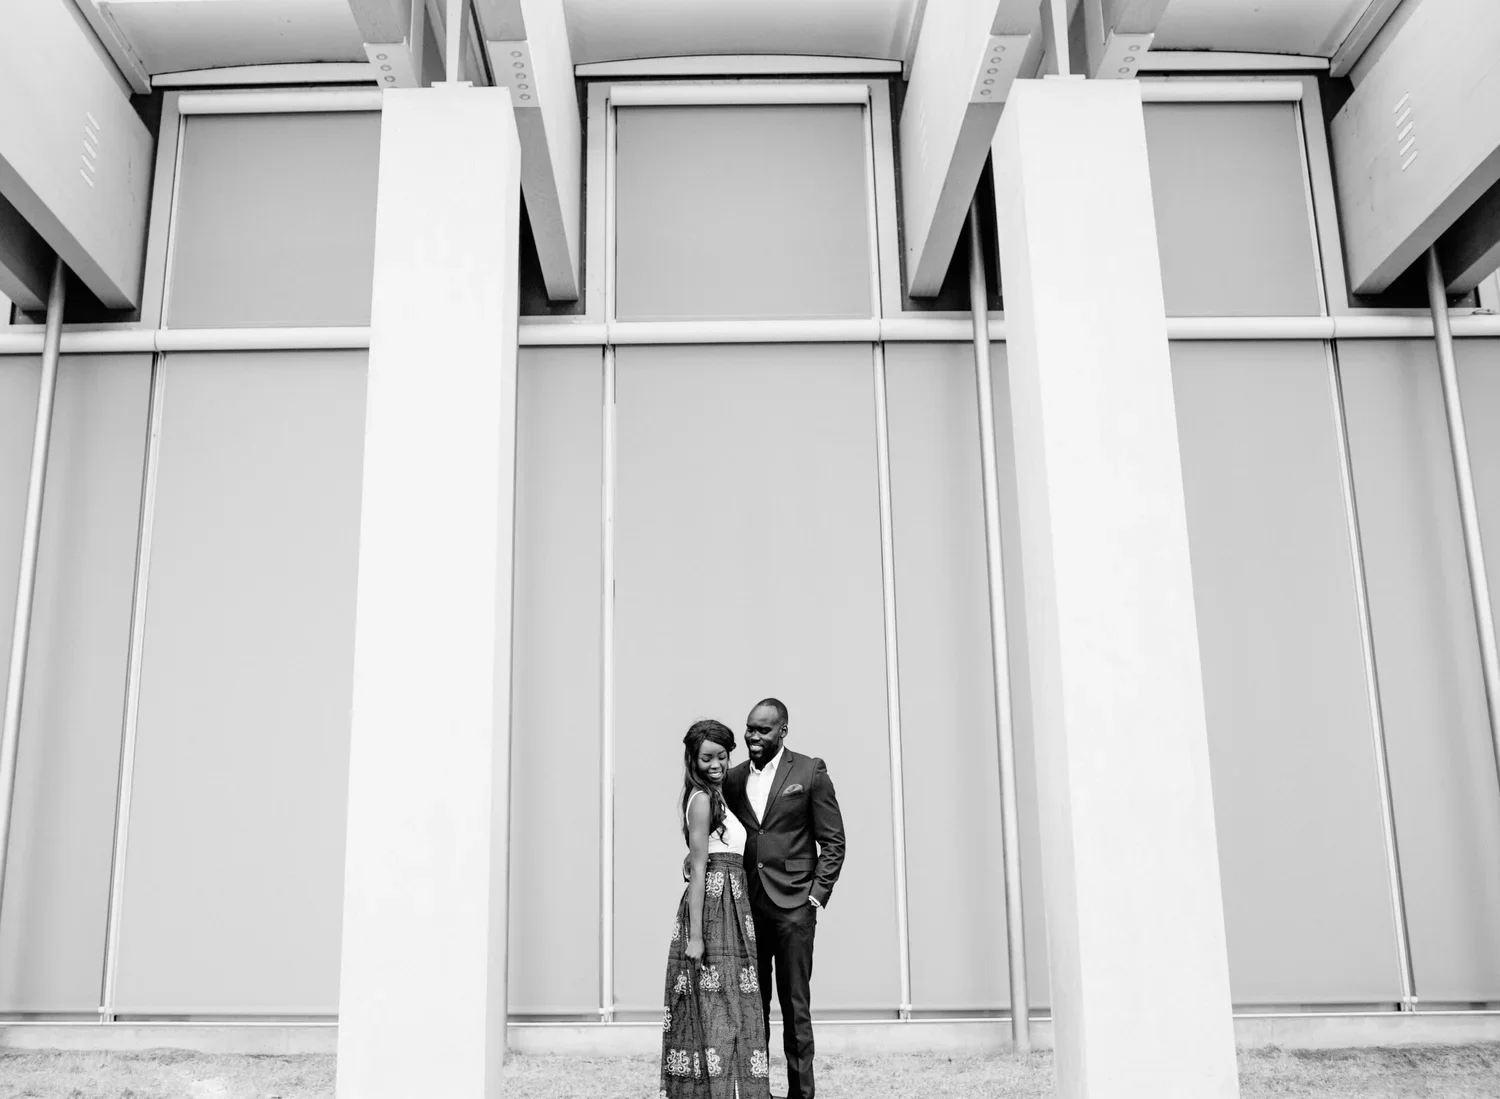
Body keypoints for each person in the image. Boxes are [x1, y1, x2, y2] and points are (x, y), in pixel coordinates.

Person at [723, 698, 845, 1099]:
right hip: (747, 908)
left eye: (763, 730)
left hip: (795, 907)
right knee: (751, 1008)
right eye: (750, 728)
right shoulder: (733, 778)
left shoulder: (810, 771)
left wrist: (816, 896)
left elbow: (833, 841)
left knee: (795, 1008)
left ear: (783, 731)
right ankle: (756, 1092)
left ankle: (801, 1094)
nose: (753, 736)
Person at [661, 719, 773, 1099]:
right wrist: (695, 936)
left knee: (730, 1012)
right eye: (707, 757)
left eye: (722, 756)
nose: (716, 764)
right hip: (713, 911)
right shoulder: (702, 800)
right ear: (693, 759)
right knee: (717, 1013)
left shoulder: (717, 796)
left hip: (733, 909)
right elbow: (698, 870)